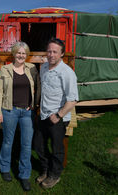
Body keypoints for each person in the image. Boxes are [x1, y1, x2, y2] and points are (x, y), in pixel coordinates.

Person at [34, 38, 79, 189]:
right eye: (49, 51)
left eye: (55, 52)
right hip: (44, 114)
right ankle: (46, 169)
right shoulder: (44, 67)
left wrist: (59, 115)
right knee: (38, 145)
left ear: (62, 54)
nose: (51, 54)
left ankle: (55, 175)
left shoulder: (67, 73)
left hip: (58, 117)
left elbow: (73, 99)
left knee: (57, 148)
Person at [0, 41, 39, 191]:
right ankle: (5, 168)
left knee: (26, 144)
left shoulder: (32, 68)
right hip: (9, 111)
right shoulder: (5, 70)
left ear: (27, 55)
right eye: (19, 53)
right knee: (8, 141)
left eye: (24, 53)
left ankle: (24, 175)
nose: (21, 55)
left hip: (27, 112)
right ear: (14, 54)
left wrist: (34, 105)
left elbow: (38, 87)